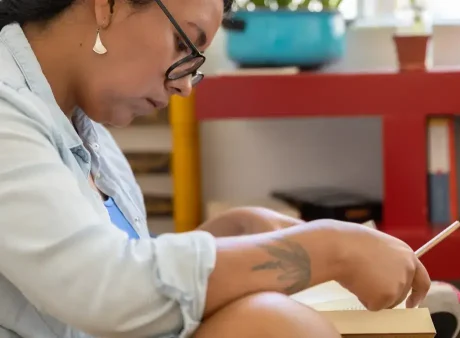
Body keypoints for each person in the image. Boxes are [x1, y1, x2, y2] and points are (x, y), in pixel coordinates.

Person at [0, 0, 432, 337]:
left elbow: (107, 267)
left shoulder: (84, 127)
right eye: (183, 45)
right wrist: (329, 248)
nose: (185, 85)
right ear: (107, 4)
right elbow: (102, 288)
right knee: (276, 327)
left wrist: (226, 235)